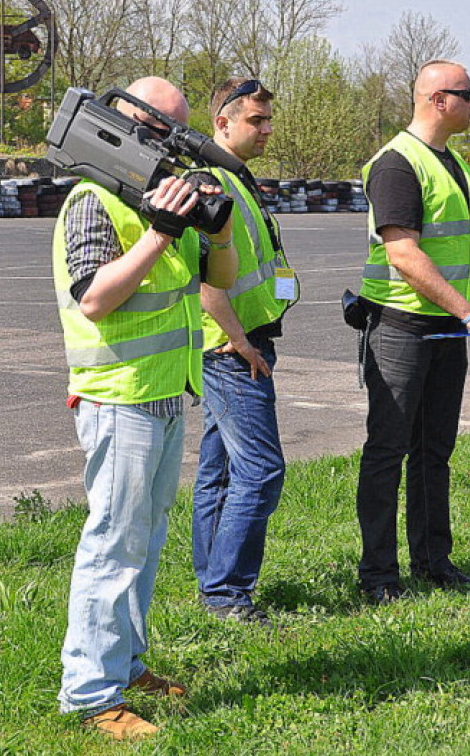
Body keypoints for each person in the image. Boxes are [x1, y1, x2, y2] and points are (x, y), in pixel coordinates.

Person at [53, 76, 237, 739]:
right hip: (119, 397)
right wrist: (160, 230)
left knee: (146, 541)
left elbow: (217, 281)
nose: (169, 144)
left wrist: (216, 227)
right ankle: (90, 693)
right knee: (113, 545)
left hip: (162, 394)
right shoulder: (95, 200)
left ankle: (126, 664)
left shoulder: (152, 194)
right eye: (161, 127)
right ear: (125, 121)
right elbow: (96, 298)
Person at [355, 60, 470, 604]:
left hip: (444, 334)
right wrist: (467, 312)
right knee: (387, 451)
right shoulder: (396, 164)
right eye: (466, 95)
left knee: (434, 451)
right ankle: (379, 577)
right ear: (438, 100)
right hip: (400, 328)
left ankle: (434, 564)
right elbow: (403, 252)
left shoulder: (456, 164)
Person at [191, 78, 297, 624]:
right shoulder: (210, 185)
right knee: (261, 471)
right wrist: (239, 342)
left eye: (266, 119)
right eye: (256, 120)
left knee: (222, 472)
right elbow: (208, 280)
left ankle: (212, 583)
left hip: (243, 342)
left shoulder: (237, 178)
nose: (266, 129)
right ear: (223, 123)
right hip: (232, 350)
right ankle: (227, 593)